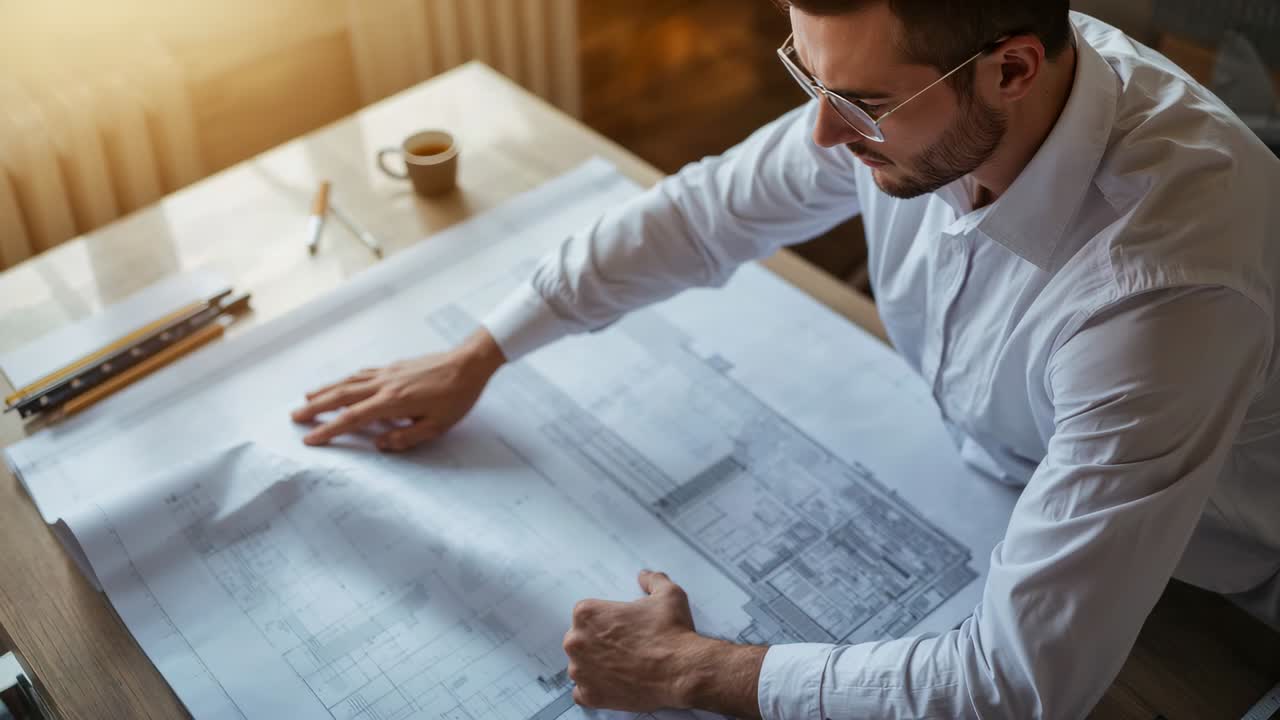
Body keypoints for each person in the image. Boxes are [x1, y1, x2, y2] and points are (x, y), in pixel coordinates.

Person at [290, 1, 1280, 717]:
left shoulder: (1163, 291)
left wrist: (692, 669)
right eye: (804, 76)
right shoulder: (920, 90)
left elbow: (1013, 687)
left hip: (1212, 609)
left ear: (1013, 69)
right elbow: (704, 212)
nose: (818, 131)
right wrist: (482, 351)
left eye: (851, 100)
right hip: (1008, 493)